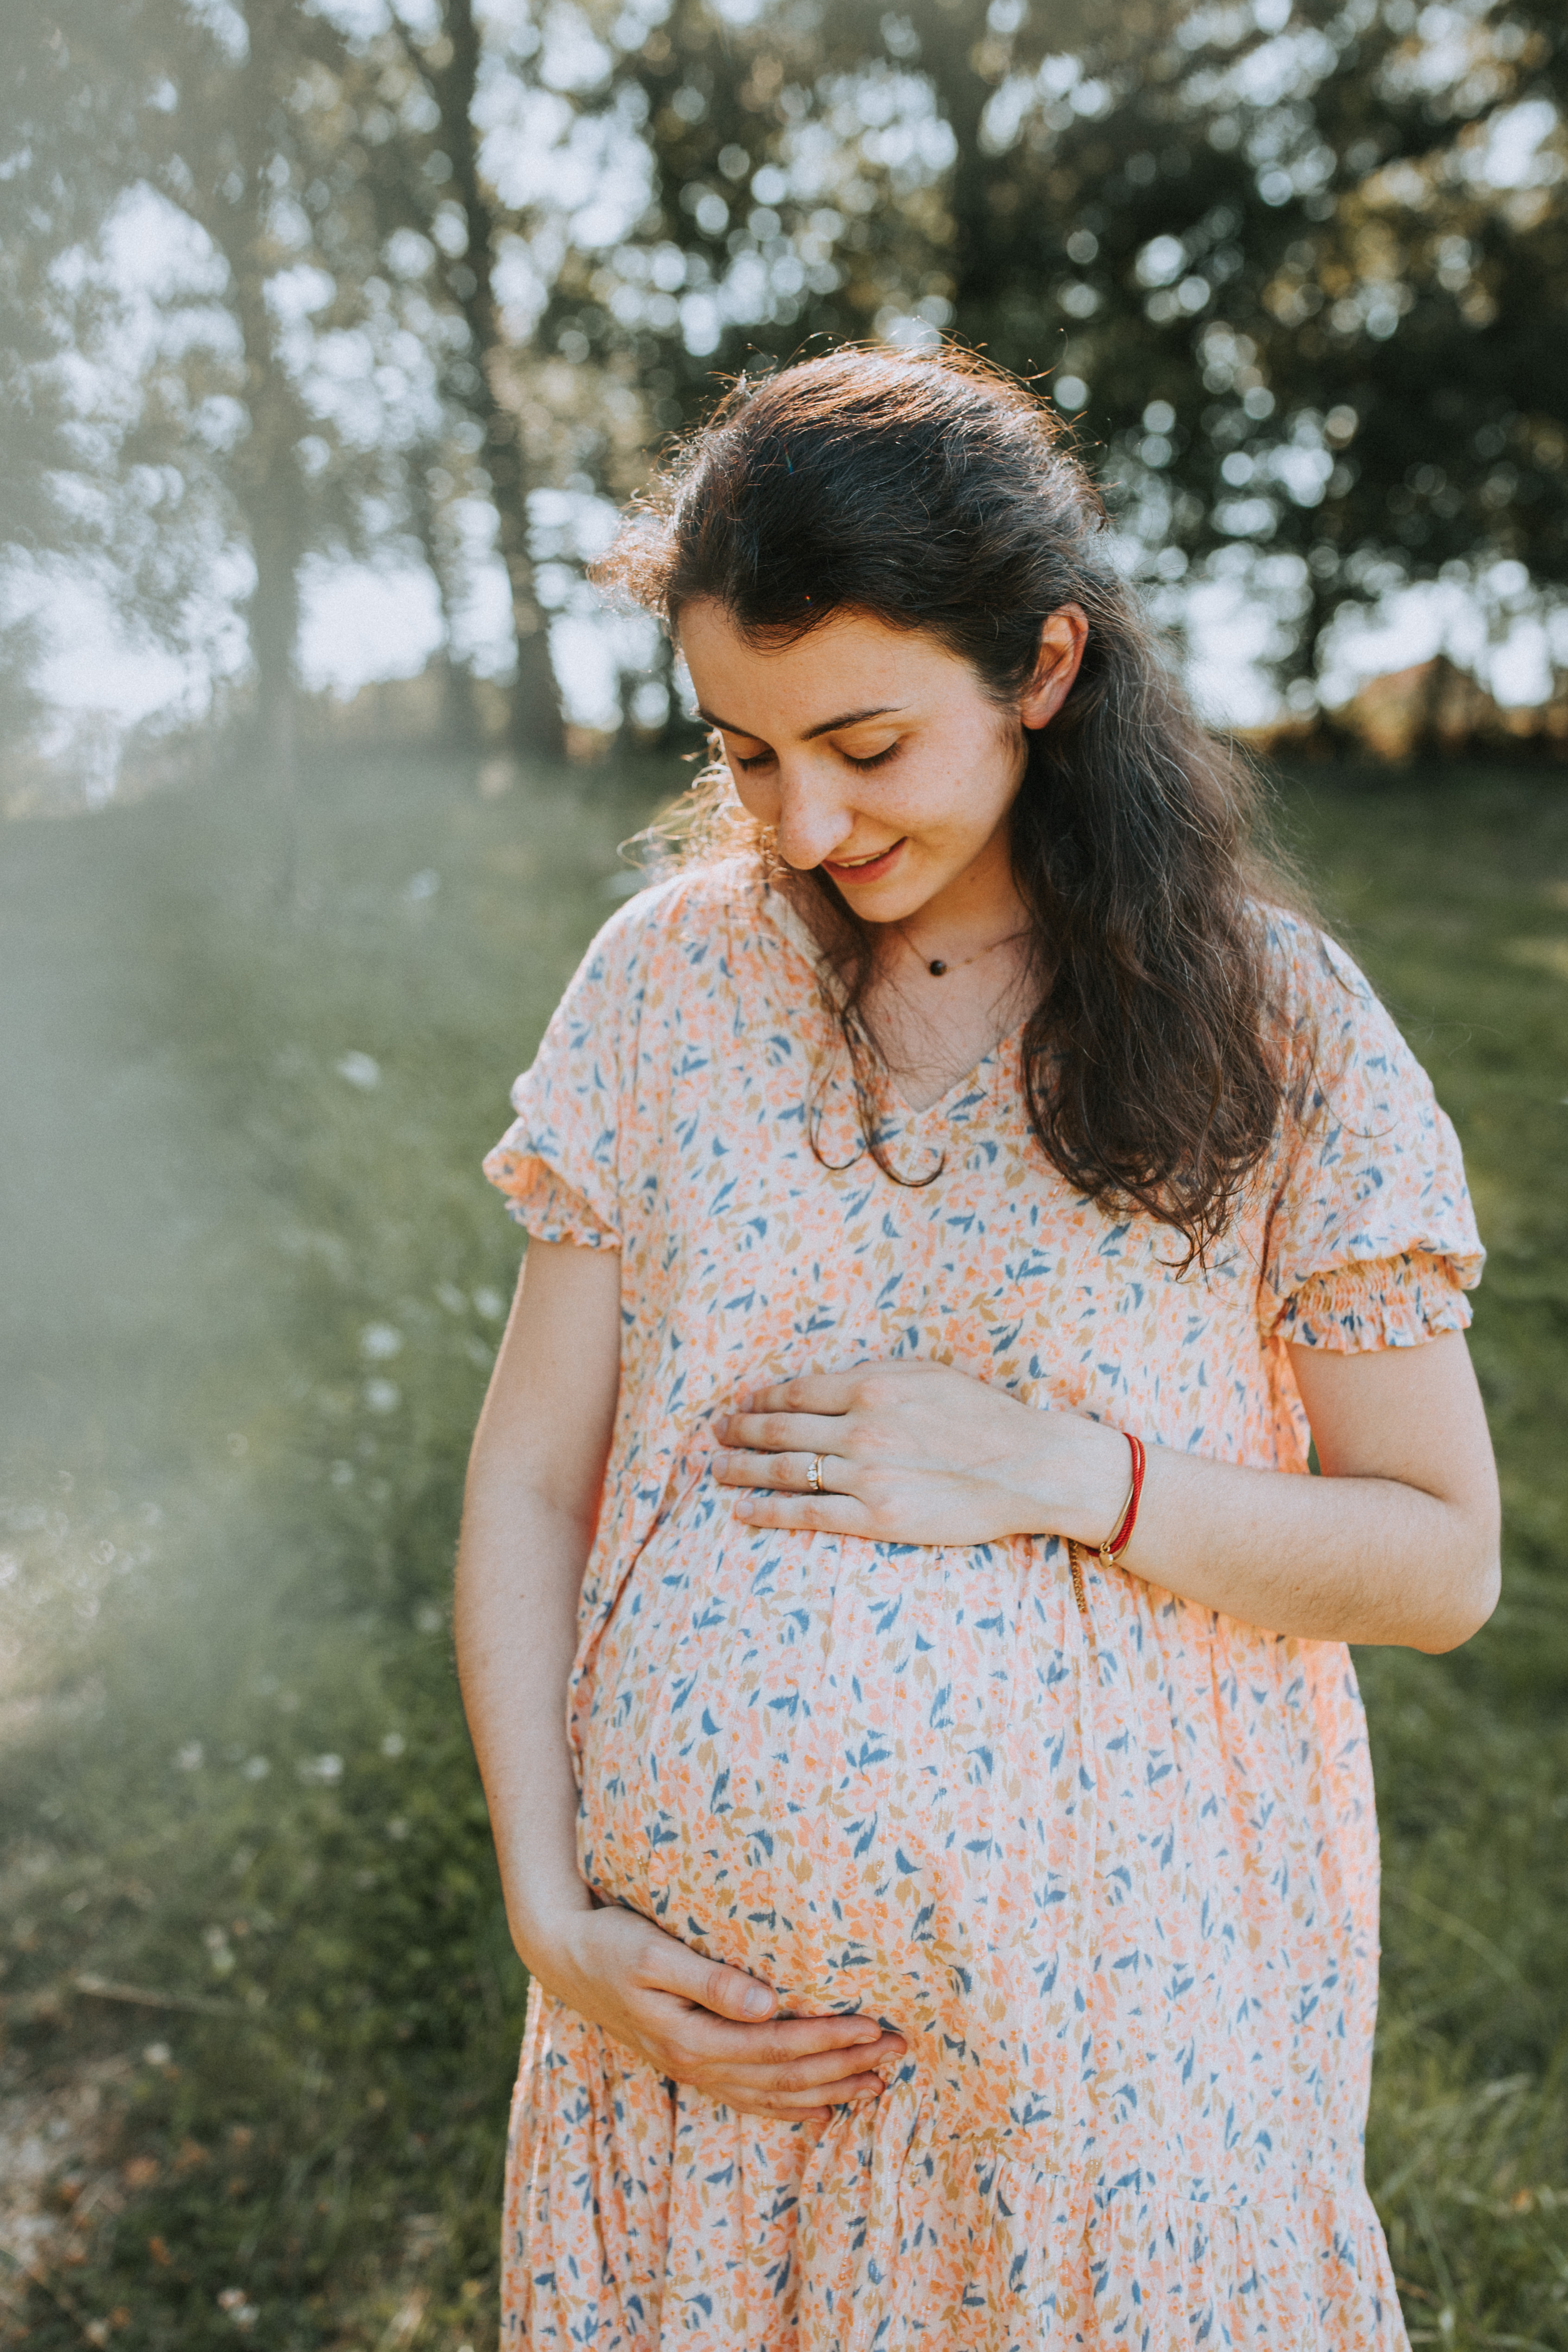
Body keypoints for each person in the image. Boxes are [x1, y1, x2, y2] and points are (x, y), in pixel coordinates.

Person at [455, 347, 1499, 2352]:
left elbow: (1441, 1561)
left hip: (1106, 2080)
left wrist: (1063, 1474)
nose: (803, 820)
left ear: (1041, 666)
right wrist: (550, 1913)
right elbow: (528, 1476)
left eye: (864, 743)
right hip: (689, 2078)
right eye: (746, 753)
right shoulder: (663, 987)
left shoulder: (1275, 1027)